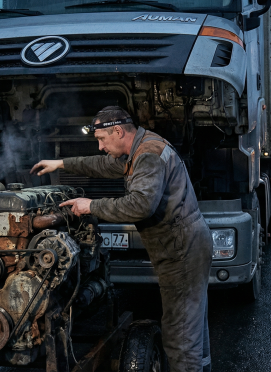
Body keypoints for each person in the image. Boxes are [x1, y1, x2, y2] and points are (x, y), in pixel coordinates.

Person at [30, 106, 212, 372]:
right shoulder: (141, 147)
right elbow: (102, 164)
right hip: (183, 244)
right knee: (192, 326)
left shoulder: (148, 155)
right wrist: (61, 164)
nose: (101, 147)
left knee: (180, 335)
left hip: (181, 250)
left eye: (102, 139)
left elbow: (141, 205)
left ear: (118, 130)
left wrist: (90, 206)